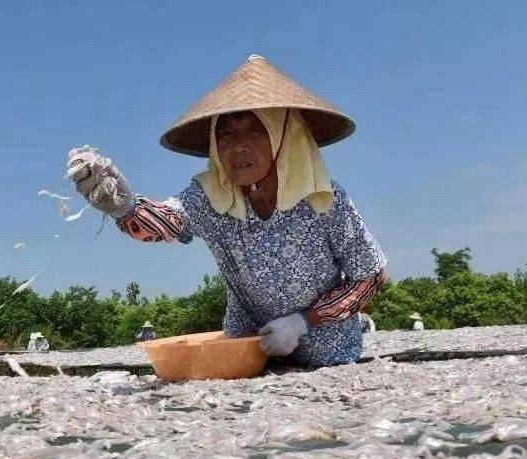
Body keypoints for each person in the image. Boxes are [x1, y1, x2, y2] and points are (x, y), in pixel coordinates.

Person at [67, 55, 387, 367]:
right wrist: (125, 207)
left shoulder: (324, 199)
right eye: (225, 135)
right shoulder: (212, 197)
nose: (238, 147)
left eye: (254, 130)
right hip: (250, 347)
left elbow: (370, 275)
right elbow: (168, 221)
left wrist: (303, 321)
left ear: (282, 138)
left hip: (327, 349)